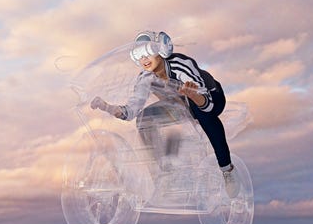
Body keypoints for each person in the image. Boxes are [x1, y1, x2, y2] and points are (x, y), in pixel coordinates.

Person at [90, 31, 240, 198]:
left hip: (210, 98)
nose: (144, 60)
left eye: (148, 53)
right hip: (179, 104)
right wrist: (107, 107)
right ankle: (163, 174)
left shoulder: (181, 64)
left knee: (202, 114)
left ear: (161, 50)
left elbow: (208, 105)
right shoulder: (145, 78)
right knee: (144, 118)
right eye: (139, 56)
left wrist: (192, 94)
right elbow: (131, 112)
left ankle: (227, 169)